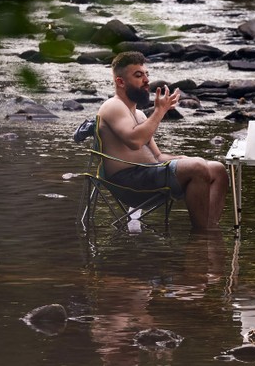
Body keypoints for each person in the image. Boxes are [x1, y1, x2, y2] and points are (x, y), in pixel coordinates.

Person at [96, 51, 228, 231]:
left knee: (217, 169)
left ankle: (210, 229)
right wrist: (160, 111)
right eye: (138, 75)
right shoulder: (113, 106)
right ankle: (201, 236)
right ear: (120, 81)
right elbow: (134, 141)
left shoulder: (140, 114)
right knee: (198, 168)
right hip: (129, 183)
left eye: (146, 74)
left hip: (150, 174)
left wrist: (182, 158)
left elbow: (157, 155)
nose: (146, 80)